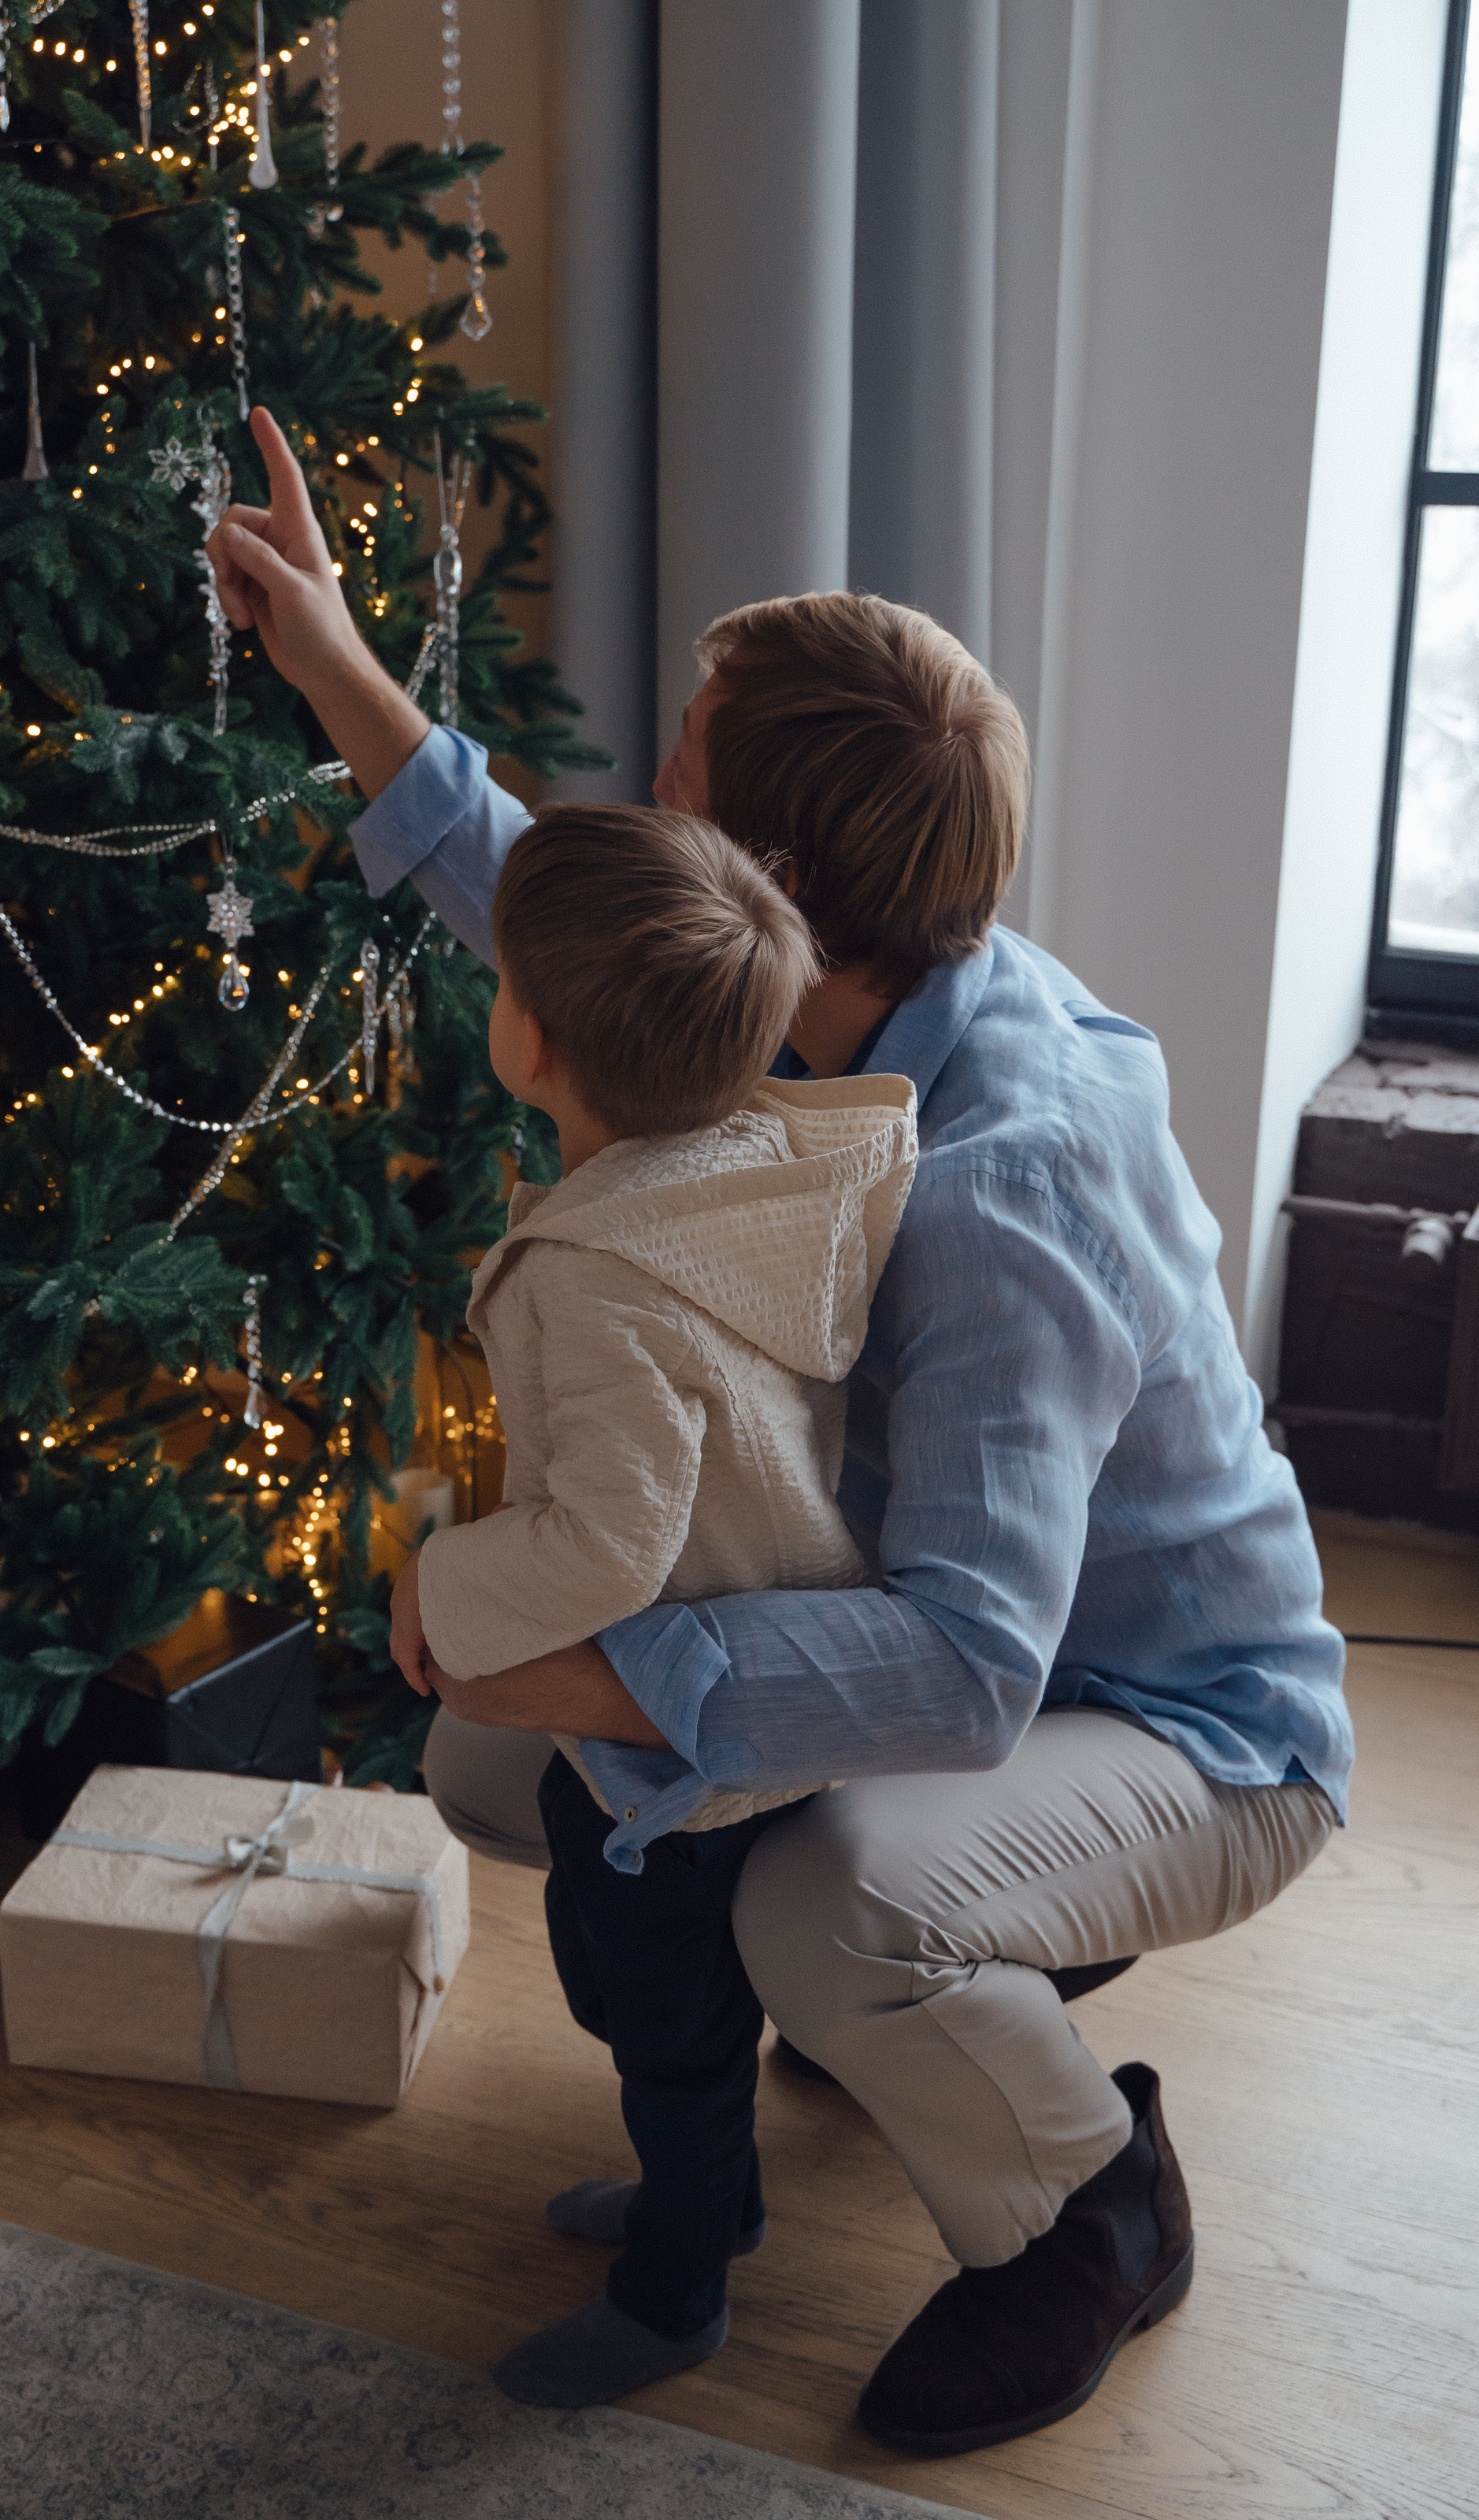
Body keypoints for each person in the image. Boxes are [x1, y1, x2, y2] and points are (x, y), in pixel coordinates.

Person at [209, 406, 1351, 2455]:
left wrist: (610, 1655)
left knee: (808, 1905)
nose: (644, 795)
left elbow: (977, 1657)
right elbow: (575, 928)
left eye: (679, 777)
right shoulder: (838, 984)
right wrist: (332, 662)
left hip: (1184, 1723)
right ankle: (889, 2008)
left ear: (785, 891)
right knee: (513, 1751)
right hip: (971, 1641)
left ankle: (1093, 2203)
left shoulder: (1006, 1181)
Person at [406, 800, 915, 2407]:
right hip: (750, 1668)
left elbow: (610, 1540)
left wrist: (440, 1585)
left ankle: (677, 2282)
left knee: (665, 2021)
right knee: (630, 1976)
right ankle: (709, 2188)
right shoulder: (741, 1169)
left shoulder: (601, 1271)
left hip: (682, 1730)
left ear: (528, 1037)